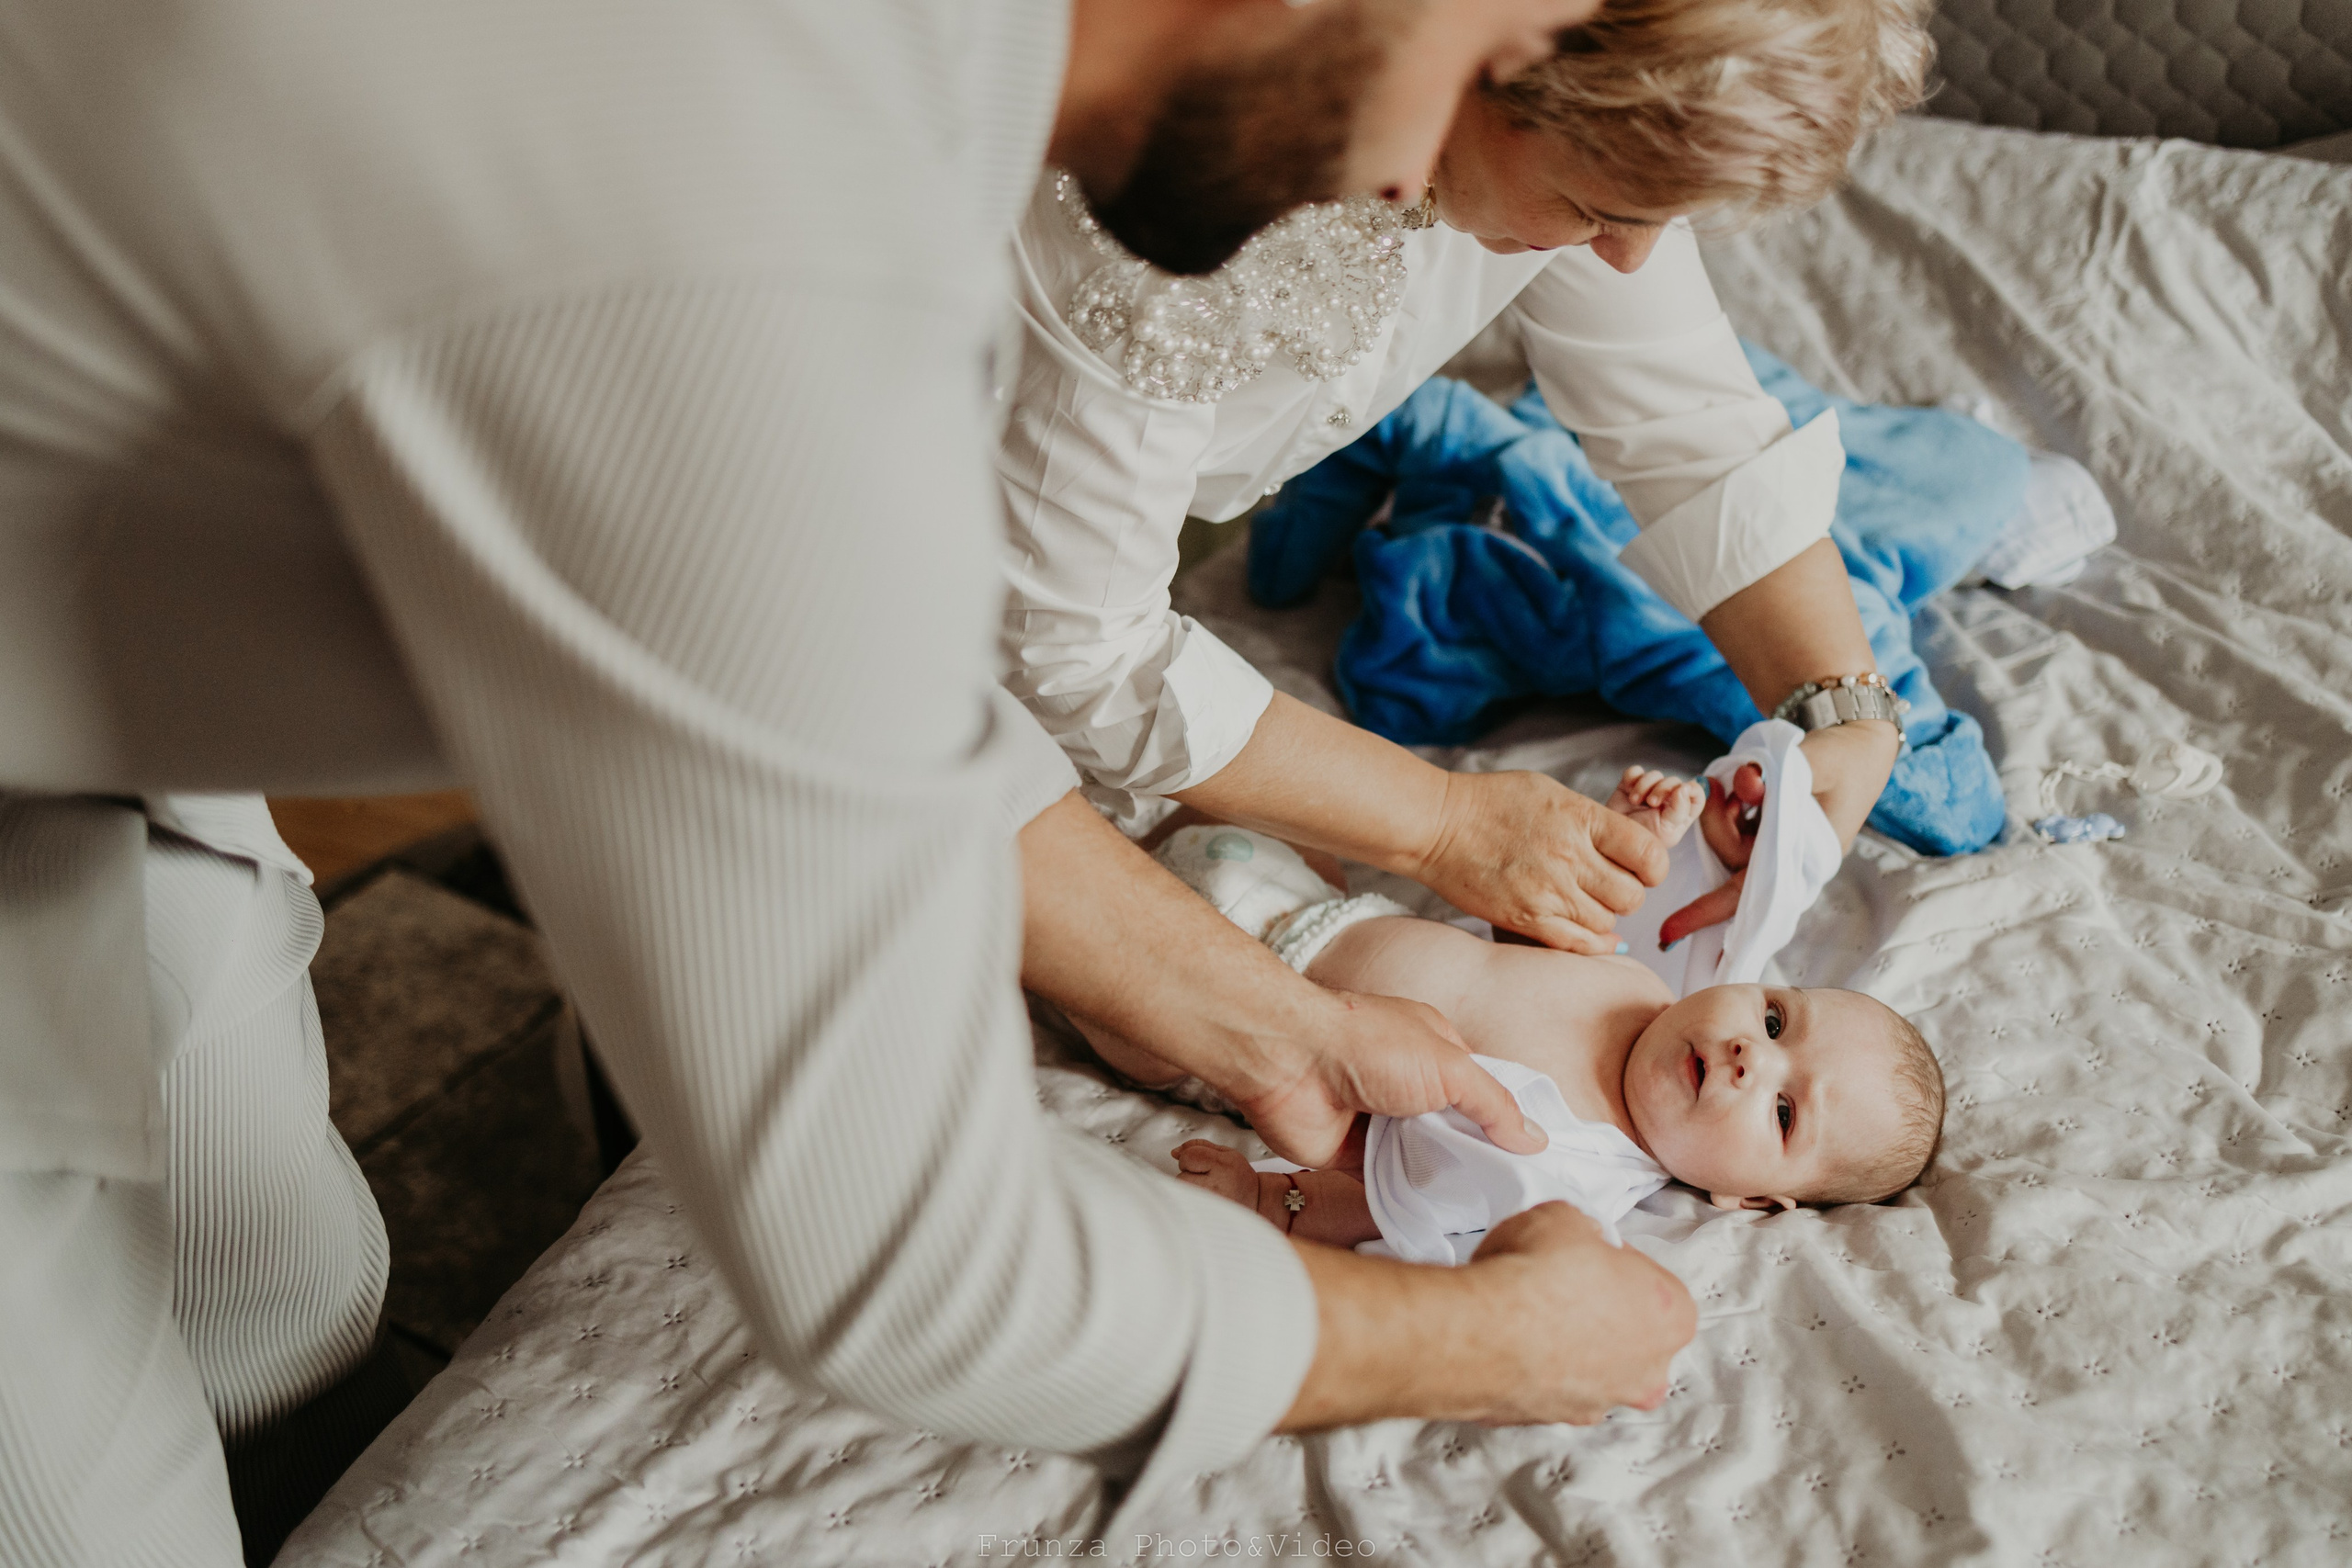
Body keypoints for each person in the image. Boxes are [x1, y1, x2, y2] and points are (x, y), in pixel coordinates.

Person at [0, 4, 1695, 1564]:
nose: (1620, 246)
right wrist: (1493, 1344)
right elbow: (895, 1257)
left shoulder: (921, 102)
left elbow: (866, 710)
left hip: (96, 706)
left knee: (281, 1285)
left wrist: (1273, 1019)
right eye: (1515, 22)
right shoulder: (720, 230)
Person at [997, 0, 1934, 960]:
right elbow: (1076, 650)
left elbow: (1684, 420)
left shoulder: (1575, 139)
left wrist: (1842, 705)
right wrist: (1444, 823)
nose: (1629, 255)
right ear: (1502, 54)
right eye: (1600, 212)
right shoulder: (1164, 156)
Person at [1129, 772, 1941, 1259]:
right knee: (1209, 811)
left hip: (1235, 1010)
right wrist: (1622, 841)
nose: (1749, 1058)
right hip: (1309, 899)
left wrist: (1273, 1202)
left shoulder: (1572, 1166)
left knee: (1117, 1000)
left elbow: (1398, 1200)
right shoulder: (1643, 992)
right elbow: (1516, 946)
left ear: (1754, 1201)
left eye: (1784, 1109)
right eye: (1773, 1021)